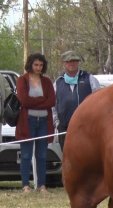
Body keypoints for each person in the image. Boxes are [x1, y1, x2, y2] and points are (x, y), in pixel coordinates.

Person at [16, 53, 56, 193]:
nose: (39, 67)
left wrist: (35, 103)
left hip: (44, 121)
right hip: (27, 122)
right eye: (36, 65)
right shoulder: (22, 80)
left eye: (41, 65)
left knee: (42, 155)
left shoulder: (47, 82)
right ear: (30, 65)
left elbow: (51, 101)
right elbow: (24, 101)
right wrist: (42, 101)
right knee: (26, 155)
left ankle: (41, 185)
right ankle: (25, 185)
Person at [54, 50, 100, 150]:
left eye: (74, 61)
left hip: (86, 127)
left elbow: (99, 102)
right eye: (69, 61)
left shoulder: (90, 79)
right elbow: (53, 105)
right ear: (64, 63)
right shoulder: (58, 82)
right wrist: (57, 122)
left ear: (78, 62)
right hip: (64, 127)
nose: (72, 63)